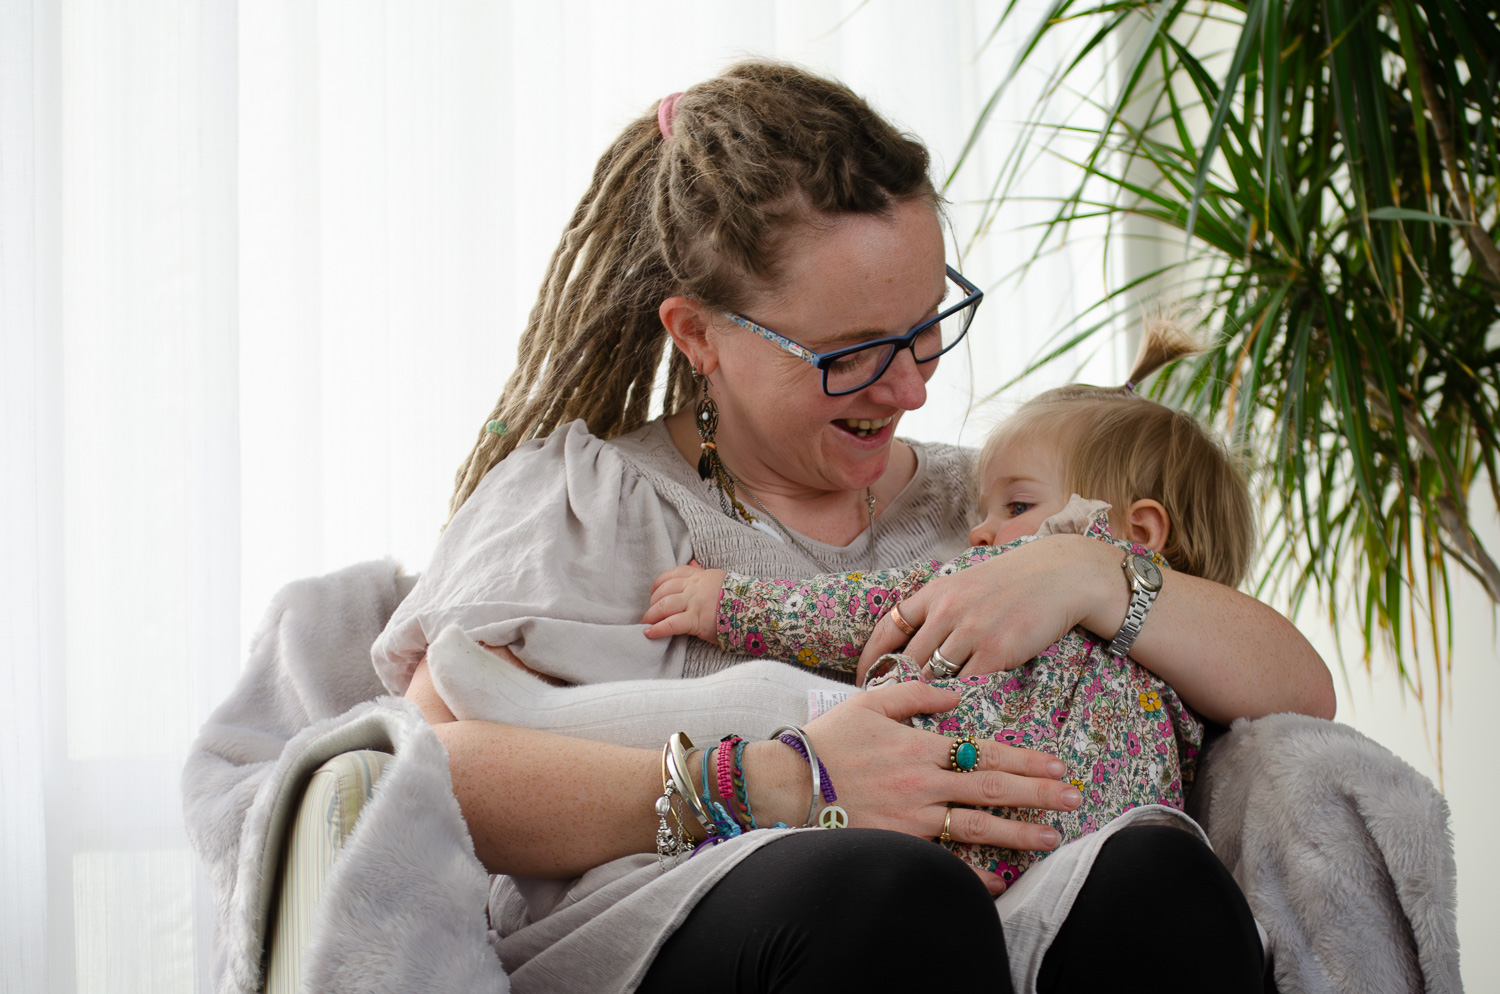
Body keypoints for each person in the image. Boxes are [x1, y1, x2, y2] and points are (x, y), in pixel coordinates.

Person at [375, 60, 1334, 993]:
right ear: (699, 335)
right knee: (890, 894)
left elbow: (1299, 692)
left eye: (925, 328)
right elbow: (422, 778)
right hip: (684, 907)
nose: (913, 387)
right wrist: (781, 780)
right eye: (855, 353)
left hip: (1006, 906)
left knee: (1162, 884)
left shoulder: (1010, 501)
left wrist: (1094, 578)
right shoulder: (581, 500)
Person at [640, 312, 1250, 886]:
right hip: (1085, 880)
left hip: (936, 840)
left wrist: (729, 604)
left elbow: (857, 609)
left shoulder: (1014, 574)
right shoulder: (1191, 674)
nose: (981, 533)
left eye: (1015, 507)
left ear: (1134, 534)